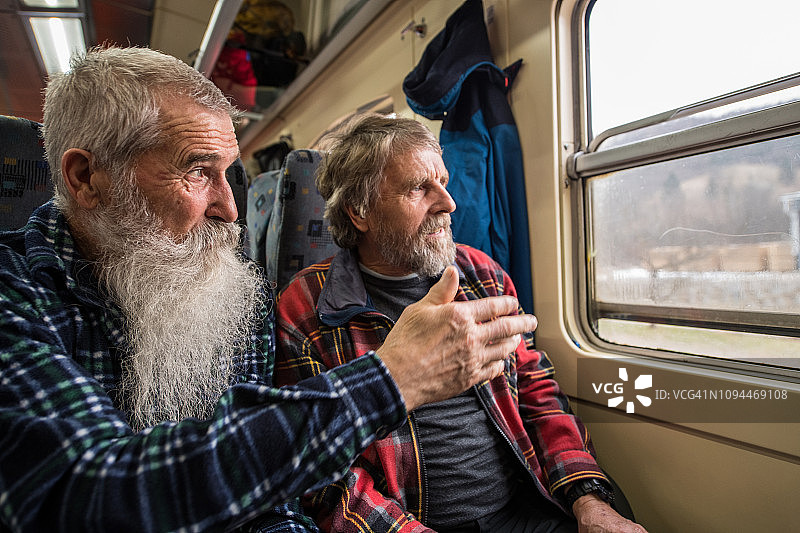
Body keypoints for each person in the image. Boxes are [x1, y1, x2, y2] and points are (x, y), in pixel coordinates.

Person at [0, 47, 539, 532]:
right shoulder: (14, 293)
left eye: (228, 174)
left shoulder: (237, 297)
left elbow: (275, 504)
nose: (230, 210)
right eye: (196, 172)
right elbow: (85, 493)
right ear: (86, 177)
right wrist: (391, 379)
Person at [274, 114, 648, 533]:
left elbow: (535, 391)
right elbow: (324, 474)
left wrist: (588, 500)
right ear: (359, 213)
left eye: (444, 183)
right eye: (419, 188)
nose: (448, 204)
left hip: (526, 506)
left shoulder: (481, 274)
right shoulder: (305, 309)